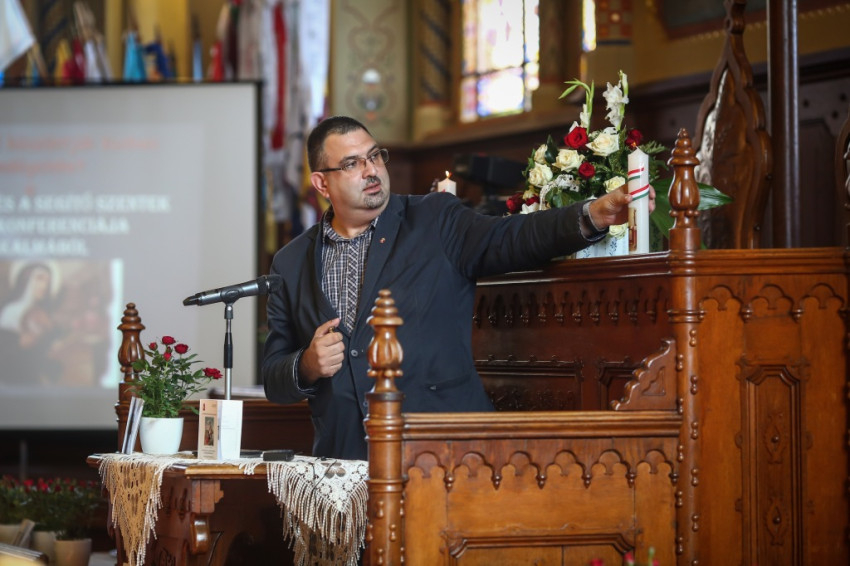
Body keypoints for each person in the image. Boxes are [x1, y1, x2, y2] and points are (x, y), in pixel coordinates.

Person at [262, 115, 655, 461]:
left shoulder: (434, 219)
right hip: (345, 463)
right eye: (352, 163)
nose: (371, 170)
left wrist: (591, 216)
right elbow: (274, 377)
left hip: (444, 449)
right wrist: (306, 365)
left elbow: (511, 237)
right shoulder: (291, 263)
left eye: (375, 155)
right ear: (321, 183)